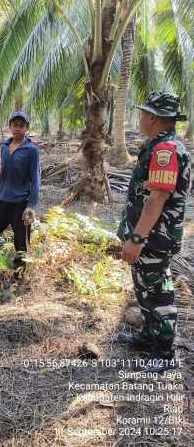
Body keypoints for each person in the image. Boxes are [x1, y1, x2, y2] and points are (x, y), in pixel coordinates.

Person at [117, 91, 191, 373]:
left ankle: (164, 352)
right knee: (145, 288)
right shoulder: (158, 145)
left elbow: (156, 199)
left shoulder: (165, 151)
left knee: (159, 293)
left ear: (152, 118)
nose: (140, 117)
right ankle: (150, 336)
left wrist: (137, 238)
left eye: (143, 113)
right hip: (149, 236)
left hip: (154, 237)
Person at [0, 111, 40, 278]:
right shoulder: (5, 147)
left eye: (21, 126)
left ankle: (19, 274)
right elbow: (3, 175)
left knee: (21, 243)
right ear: (10, 127)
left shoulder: (31, 150)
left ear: (26, 128)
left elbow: (35, 179)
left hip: (21, 203)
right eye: (15, 125)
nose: (18, 129)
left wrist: (31, 206)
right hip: (2, 200)